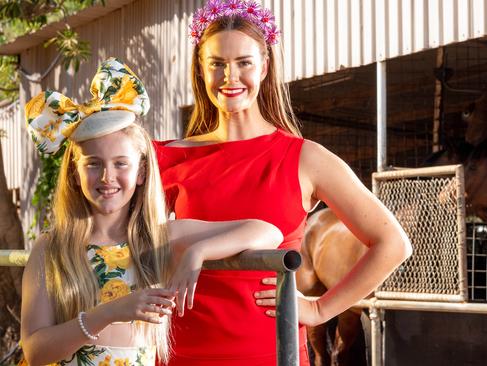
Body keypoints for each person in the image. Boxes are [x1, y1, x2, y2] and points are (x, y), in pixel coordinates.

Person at [153, 1, 413, 364]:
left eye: (243, 62)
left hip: (270, 349)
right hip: (182, 348)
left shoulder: (306, 158)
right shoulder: (167, 157)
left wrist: (321, 309)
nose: (230, 77)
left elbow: (393, 244)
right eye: (217, 64)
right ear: (201, 70)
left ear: (264, 66)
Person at [20, 58, 283, 366]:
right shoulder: (51, 249)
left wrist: (197, 252)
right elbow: (35, 352)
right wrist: (108, 313)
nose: (107, 177)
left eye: (121, 164)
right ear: (75, 175)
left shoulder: (159, 239)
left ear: (142, 172)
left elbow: (268, 231)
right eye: (93, 164)